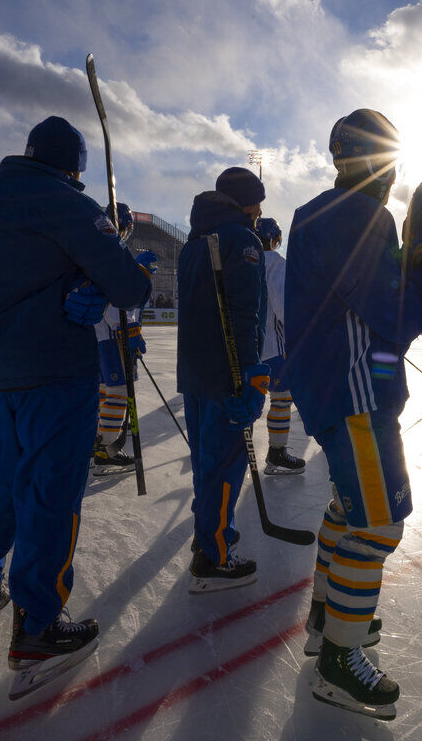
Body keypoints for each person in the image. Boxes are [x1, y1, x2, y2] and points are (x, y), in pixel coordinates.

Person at [284, 108, 422, 719]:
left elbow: (368, 297)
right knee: (378, 524)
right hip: (355, 392)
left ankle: (327, 620)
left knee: (350, 509)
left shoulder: (322, 214)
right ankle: (338, 660)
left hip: (337, 388)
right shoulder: (357, 215)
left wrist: (407, 247)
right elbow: (397, 312)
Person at [0, 116, 151, 687]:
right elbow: (131, 287)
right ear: (73, 167)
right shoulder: (67, 203)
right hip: (54, 370)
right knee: (49, 491)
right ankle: (39, 626)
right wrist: (103, 270)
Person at [177, 167, 268, 594]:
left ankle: (207, 538)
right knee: (226, 467)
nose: (260, 210)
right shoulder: (243, 240)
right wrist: (250, 377)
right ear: (246, 203)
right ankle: (213, 554)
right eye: (257, 201)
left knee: (205, 465)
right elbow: (246, 313)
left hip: (194, 373)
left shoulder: (192, 244)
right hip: (226, 374)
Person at [92, 203, 157, 475]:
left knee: (105, 390)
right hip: (109, 336)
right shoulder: (112, 253)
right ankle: (106, 449)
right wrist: (130, 331)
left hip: (94, 336)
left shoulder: (94, 248)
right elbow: (116, 302)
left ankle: (97, 441)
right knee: (118, 391)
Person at [255, 217, 306, 475]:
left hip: (245, 346)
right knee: (281, 398)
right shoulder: (276, 263)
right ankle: (276, 451)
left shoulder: (242, 262)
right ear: (274, 239)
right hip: (272, 347)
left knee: (248, 400)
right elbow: (283, 307)